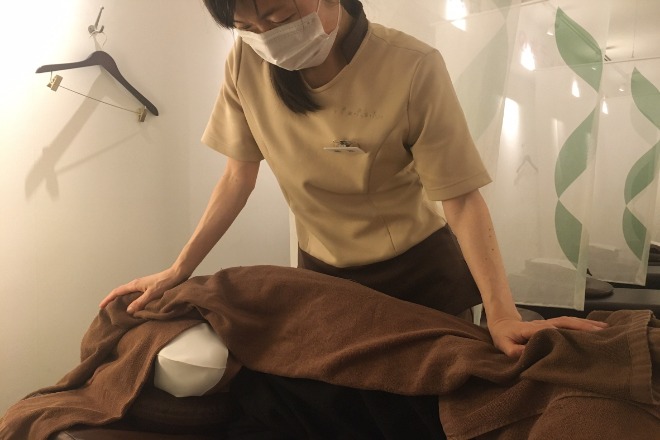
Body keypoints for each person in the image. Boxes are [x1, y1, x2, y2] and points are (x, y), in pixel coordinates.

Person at [98, 1, 608, 436]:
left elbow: (461, 200)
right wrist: (179, 269)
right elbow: (237, 178)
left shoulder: (411, 65)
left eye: (279, 17)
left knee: (428, 415)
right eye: (247, 27)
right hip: (324, 278)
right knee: (340, 413)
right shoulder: (244, 64)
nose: (266, 37)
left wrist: (501, 313)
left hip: (419, 277)